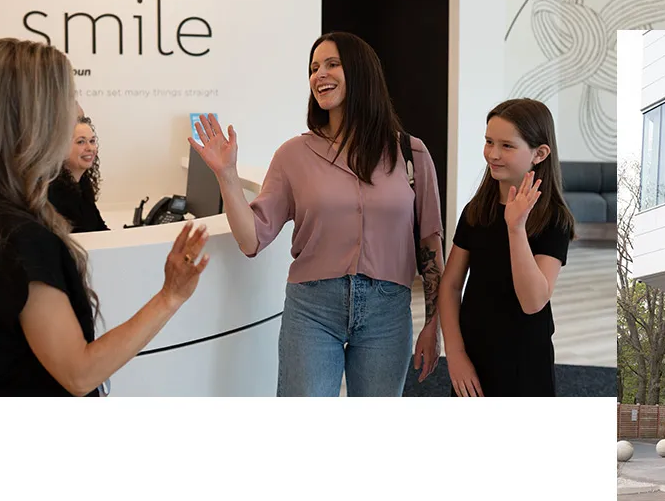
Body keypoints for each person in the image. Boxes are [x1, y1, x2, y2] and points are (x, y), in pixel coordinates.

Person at [0, 38, 211, 397]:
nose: (76, 113)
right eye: (66, 104)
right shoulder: (23, 239)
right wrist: (171, 295)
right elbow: (79, 373)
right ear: (33, 122)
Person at [188, 31, 444, 397]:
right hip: (312, 310)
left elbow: (430, 244)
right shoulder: (293, 155)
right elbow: (251, 239)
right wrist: (226, 176)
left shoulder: (410, 152)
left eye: (332, 64)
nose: (319, 74)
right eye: (313, 68)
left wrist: (434, 324)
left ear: (361, 72)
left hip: (388, 312)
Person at [439, 98, 576, 397]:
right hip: (473, 357)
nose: (493, 154)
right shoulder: (476, 211)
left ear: (539, 154)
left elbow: (533, 301)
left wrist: (515, 227)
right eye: (489, 142)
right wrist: (456, 353)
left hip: (525, 364)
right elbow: (450, 285)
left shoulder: (554, 219)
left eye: (507, 146)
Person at [48, 116, 109, 233]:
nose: (90, 148)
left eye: (92, 141)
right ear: (61, 147)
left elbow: (100, 229)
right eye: (81, 142)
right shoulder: (54, 191)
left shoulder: (83, 183)